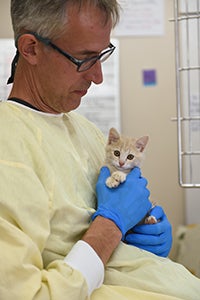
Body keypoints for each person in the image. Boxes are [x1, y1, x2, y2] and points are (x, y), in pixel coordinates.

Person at [0, 1, 200, 299]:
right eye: (84, 59)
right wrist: (109, 226)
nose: (98, 77)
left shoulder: (88, 133)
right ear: (30, 49)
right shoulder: (9, 142)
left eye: (103, 55)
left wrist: (142, 232)